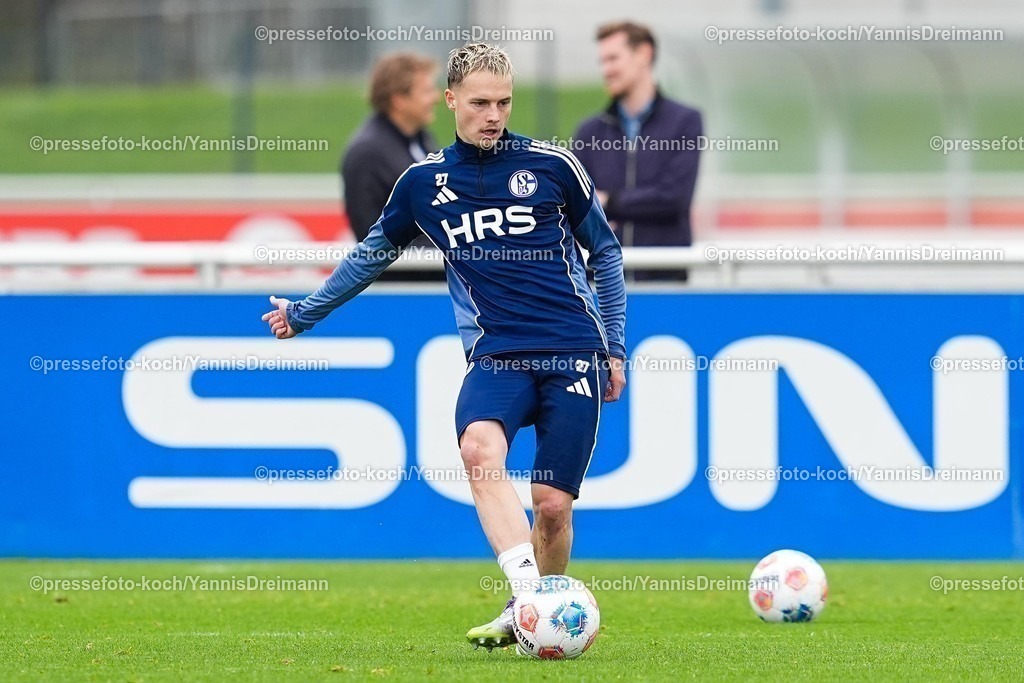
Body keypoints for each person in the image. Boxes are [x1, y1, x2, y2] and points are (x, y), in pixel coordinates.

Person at [263, 42, 627, 651]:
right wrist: (304, 314)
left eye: (504, 102)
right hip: (497, 354)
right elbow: (368, 256)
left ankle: (532, 609)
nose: (494, 114)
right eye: (480, 102)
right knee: (478, 448)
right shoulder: (424, 183)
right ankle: (531, 603)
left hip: (572, 351)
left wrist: (614, 347)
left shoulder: (554, 166)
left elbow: (606, 252)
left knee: (553, 506)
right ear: (451, 100)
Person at [574, 20, 702, 281]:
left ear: (644, 54)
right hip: (601, 282)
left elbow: (673, 198)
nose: (606, 70)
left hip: (664, 282)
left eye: (613, 59)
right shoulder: (589, 131)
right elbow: (575, 204)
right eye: (603, 61)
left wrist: (609, 202)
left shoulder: (685, 121)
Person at [341, 52, 443, 280]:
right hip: (403, 292)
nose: (436, 97)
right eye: (426, 91)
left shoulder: (421, 138)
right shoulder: (366, 153)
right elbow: (371, 239)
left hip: (436, 281)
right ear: (398, 99)